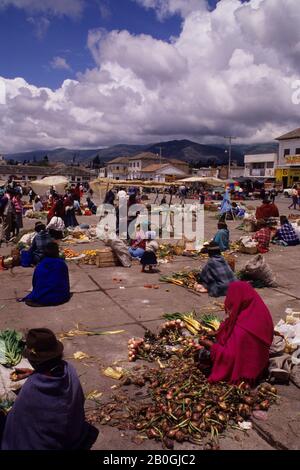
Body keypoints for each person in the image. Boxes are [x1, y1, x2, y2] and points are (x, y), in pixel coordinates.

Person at [1, 328, 98, 450]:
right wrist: (33, 373)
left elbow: (17, 421)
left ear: (33, 360)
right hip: (73, 432)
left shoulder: (32, 387)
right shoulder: (69, 369)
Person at [198, 281, 274, 385]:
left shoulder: (243, 331)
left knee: (204, 355)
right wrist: (217, 332)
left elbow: (230, 357)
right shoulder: (258, 310)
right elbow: (230, 324)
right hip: (260, 361)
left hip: (246, 370)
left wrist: (211, 346)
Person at [22, 242, 70, 307]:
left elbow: (35, 283)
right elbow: (65, 282)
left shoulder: (40, 265)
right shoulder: (61, 264)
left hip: (41, 298)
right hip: (60, 297)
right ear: (57, 252)